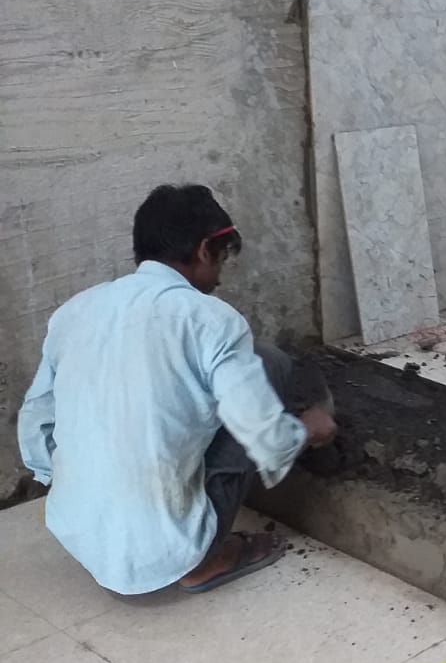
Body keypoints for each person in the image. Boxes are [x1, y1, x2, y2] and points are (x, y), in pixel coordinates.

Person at [18, 184, 337, 596]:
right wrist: (307, 429)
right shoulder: (211, 320)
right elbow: (266, 438)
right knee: (267, 364)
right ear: (204, 250)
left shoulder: (76, 310)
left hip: (75, 528)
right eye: (222, 260)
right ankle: (204, 562)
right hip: (162, 548)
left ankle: (111, 512)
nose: (220, 277)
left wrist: (69, 479)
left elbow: (36, 420)